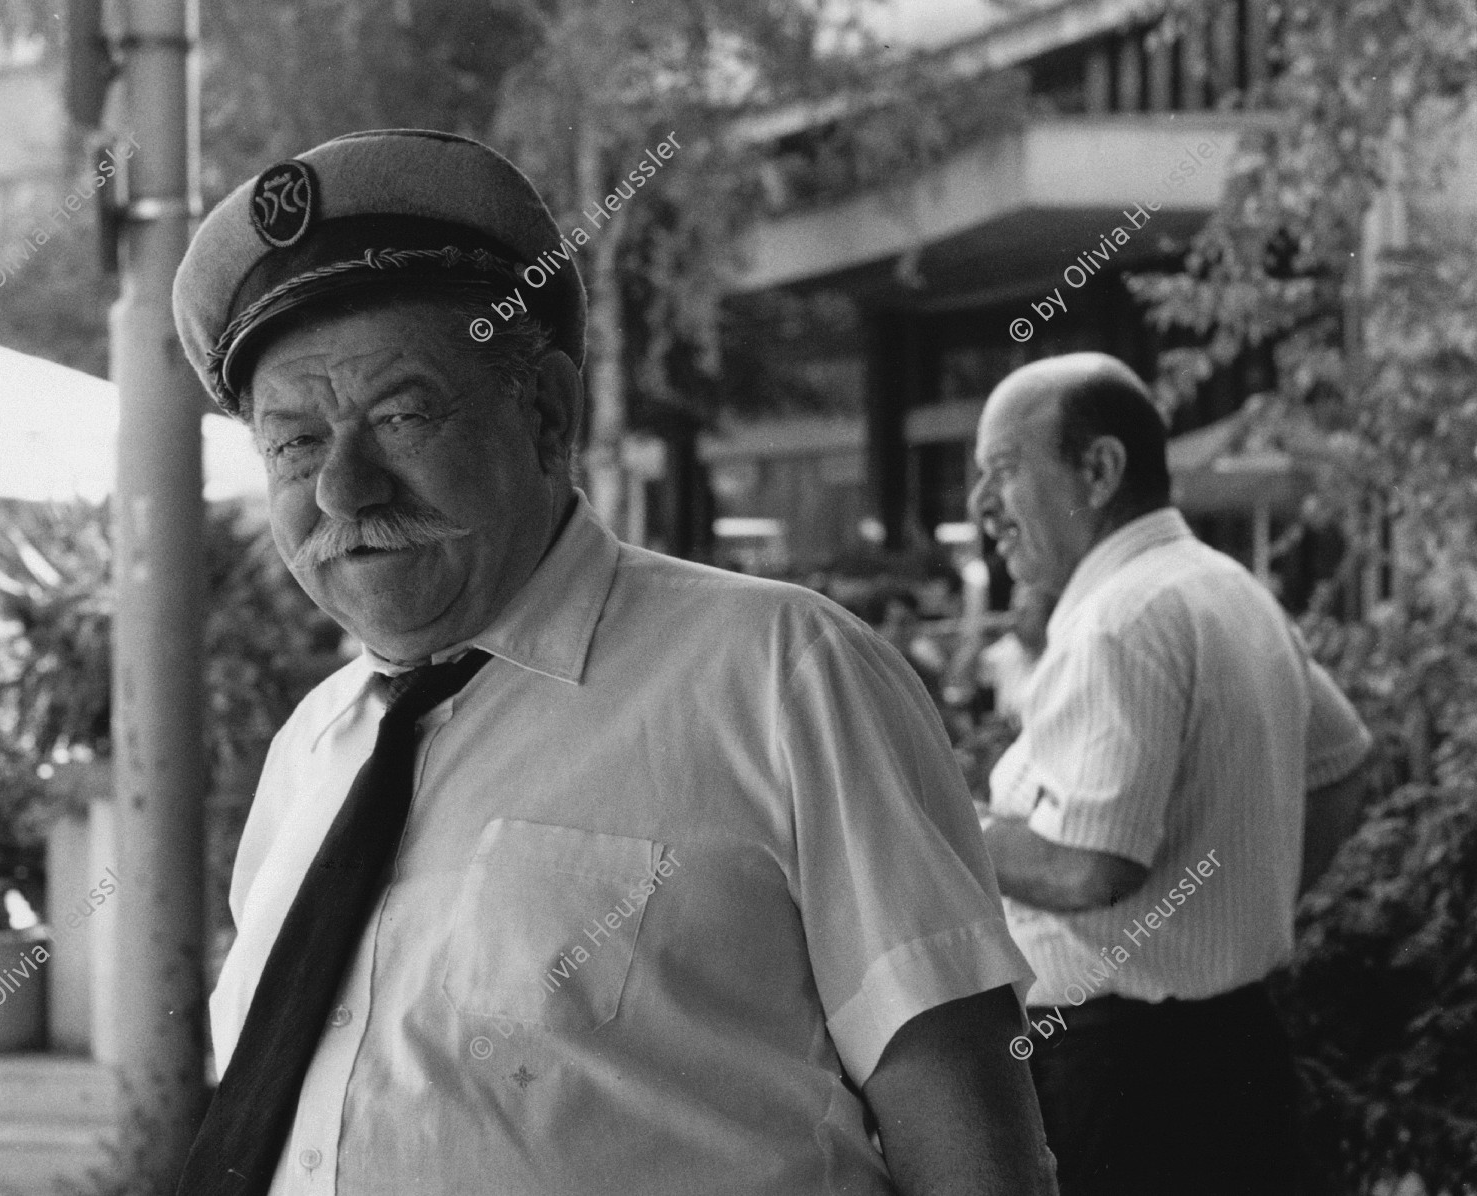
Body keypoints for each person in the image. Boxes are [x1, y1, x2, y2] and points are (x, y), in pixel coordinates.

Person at [170, 129, 1055, 1196]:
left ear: (545, 414)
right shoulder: (311, 749)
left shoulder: (782, 677)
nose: (344, 491)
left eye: (401, 415)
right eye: (295, 443)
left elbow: (974, 1149)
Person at [967, 352, 1373, 1196]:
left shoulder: (1121, 617)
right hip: (1231, 1045)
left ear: (1101, 468)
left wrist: (944, 827)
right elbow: (1341, 767)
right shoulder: (1226, 586)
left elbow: (1089, 867)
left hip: (1121, 1079)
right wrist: (1237, 912)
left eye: (1003, 472)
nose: (982, 509)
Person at [979, 582, 1054, 726]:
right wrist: (977, 640)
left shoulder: (1061, 655)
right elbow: (960, 682)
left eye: (1024, 613)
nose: (1013, 620)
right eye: (1013, 610)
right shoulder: (1009, 647)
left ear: (1048, 616)